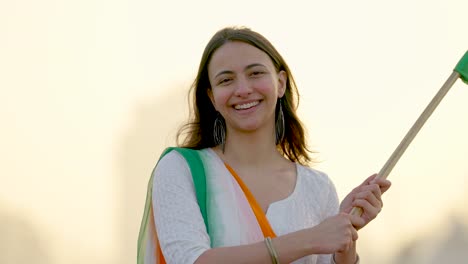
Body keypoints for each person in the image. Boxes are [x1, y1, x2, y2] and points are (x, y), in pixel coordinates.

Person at [138, 26, 391, 264]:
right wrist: (312, 238)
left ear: (280, 83)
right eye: (226, 80)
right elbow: (188, 260)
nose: (243, 89)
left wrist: (346, 235)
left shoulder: (318, 188)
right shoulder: (181, 169)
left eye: (255, 73)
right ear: (212, 96)